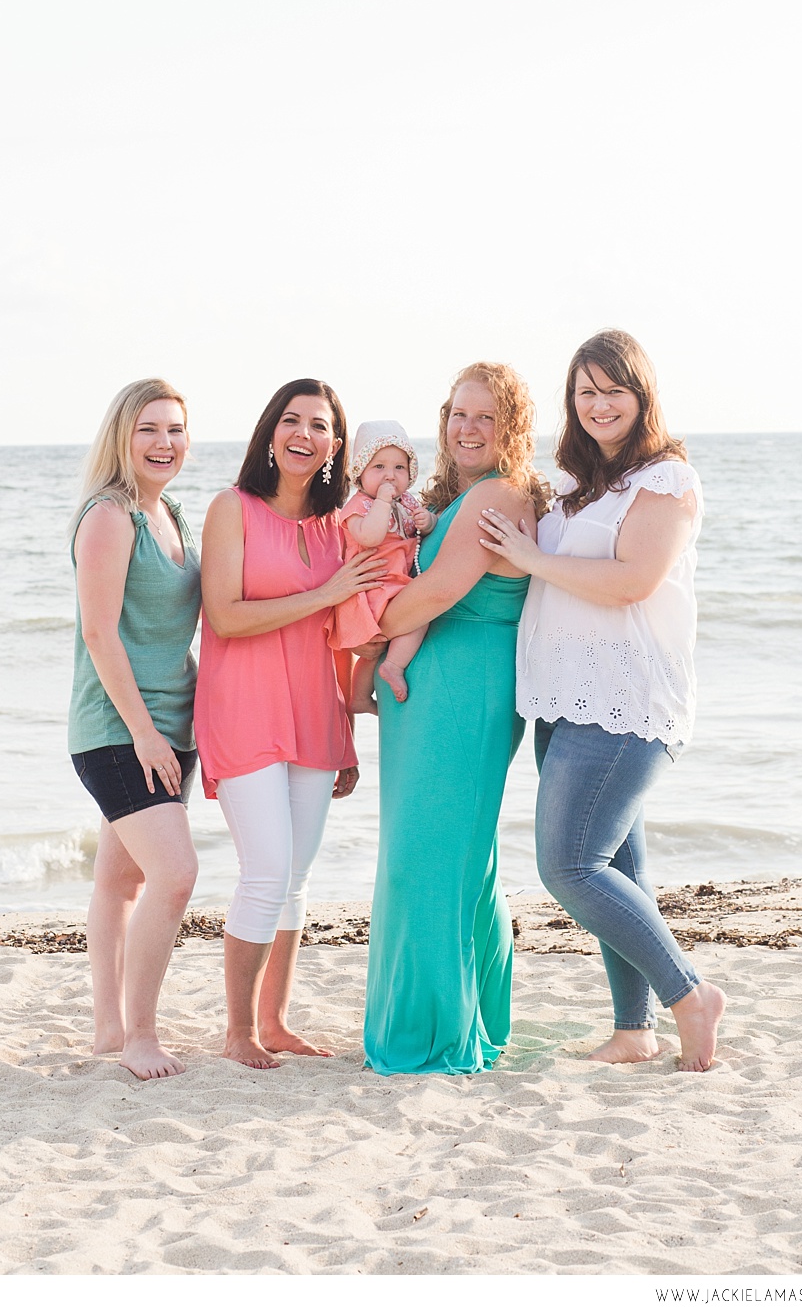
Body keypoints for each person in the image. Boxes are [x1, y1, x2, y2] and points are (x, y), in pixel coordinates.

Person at [479, 328, 727, 1072]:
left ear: (640, 393)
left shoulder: (666, 480)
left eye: (612, 388)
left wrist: (533, 558)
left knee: (570, 865)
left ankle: (690, 995)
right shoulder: (574, 484)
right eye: (585, 391)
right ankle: (634, 1028)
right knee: (622, 866)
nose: (598, 404)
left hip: (626, 702)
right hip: (564, 700)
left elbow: (631, 581)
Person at [362, 363, 551, 1075]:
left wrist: (357, 617)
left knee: (429, 860)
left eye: (486, 417)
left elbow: (435, 593)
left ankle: (437, 1033)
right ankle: (478, 1014)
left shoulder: (500, 495)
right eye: (457, 414)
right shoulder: (454, 497)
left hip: (465, 689)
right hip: (429, 694)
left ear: (511, 431)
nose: (467, 428)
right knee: (461, 862)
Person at [195, 378, 386, 1070]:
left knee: (296, 876)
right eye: (292, 420)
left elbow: (345, 633)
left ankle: (273, 1022)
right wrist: (325, 591)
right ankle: (237, 1029)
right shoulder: (231, 508)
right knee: (266, 868)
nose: (304, 433)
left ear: (337, 445)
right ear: (270, 431)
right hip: (242, 708)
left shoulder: (341, 525)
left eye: (321, 425)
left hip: (316, 713)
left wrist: (349, 737)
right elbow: (224, 615)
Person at [68, 378, 202, 1081]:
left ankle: (108, 1025)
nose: (164, 442)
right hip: (120, 728)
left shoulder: (172, 512)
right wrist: (146, 734)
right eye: (150, 428)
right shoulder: (110, 516)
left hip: (172, 724)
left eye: (176, 429)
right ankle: (140, 1036)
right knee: (175, 875)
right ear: (123, 436)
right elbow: (99, 632)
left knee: (119, 879)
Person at [328, 420, 437, 713]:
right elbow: (371, 536)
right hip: (374, 587)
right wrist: (383, 502)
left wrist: (429, 521)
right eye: (379, 468)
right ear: (360, 474)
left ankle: (360, 697)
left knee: (371, 653)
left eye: (399, 468)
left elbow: (419, 526)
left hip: (393, 583)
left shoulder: (406, 502)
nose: (390, 476)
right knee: (420, 615)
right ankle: (394, 666)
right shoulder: (359, 506)